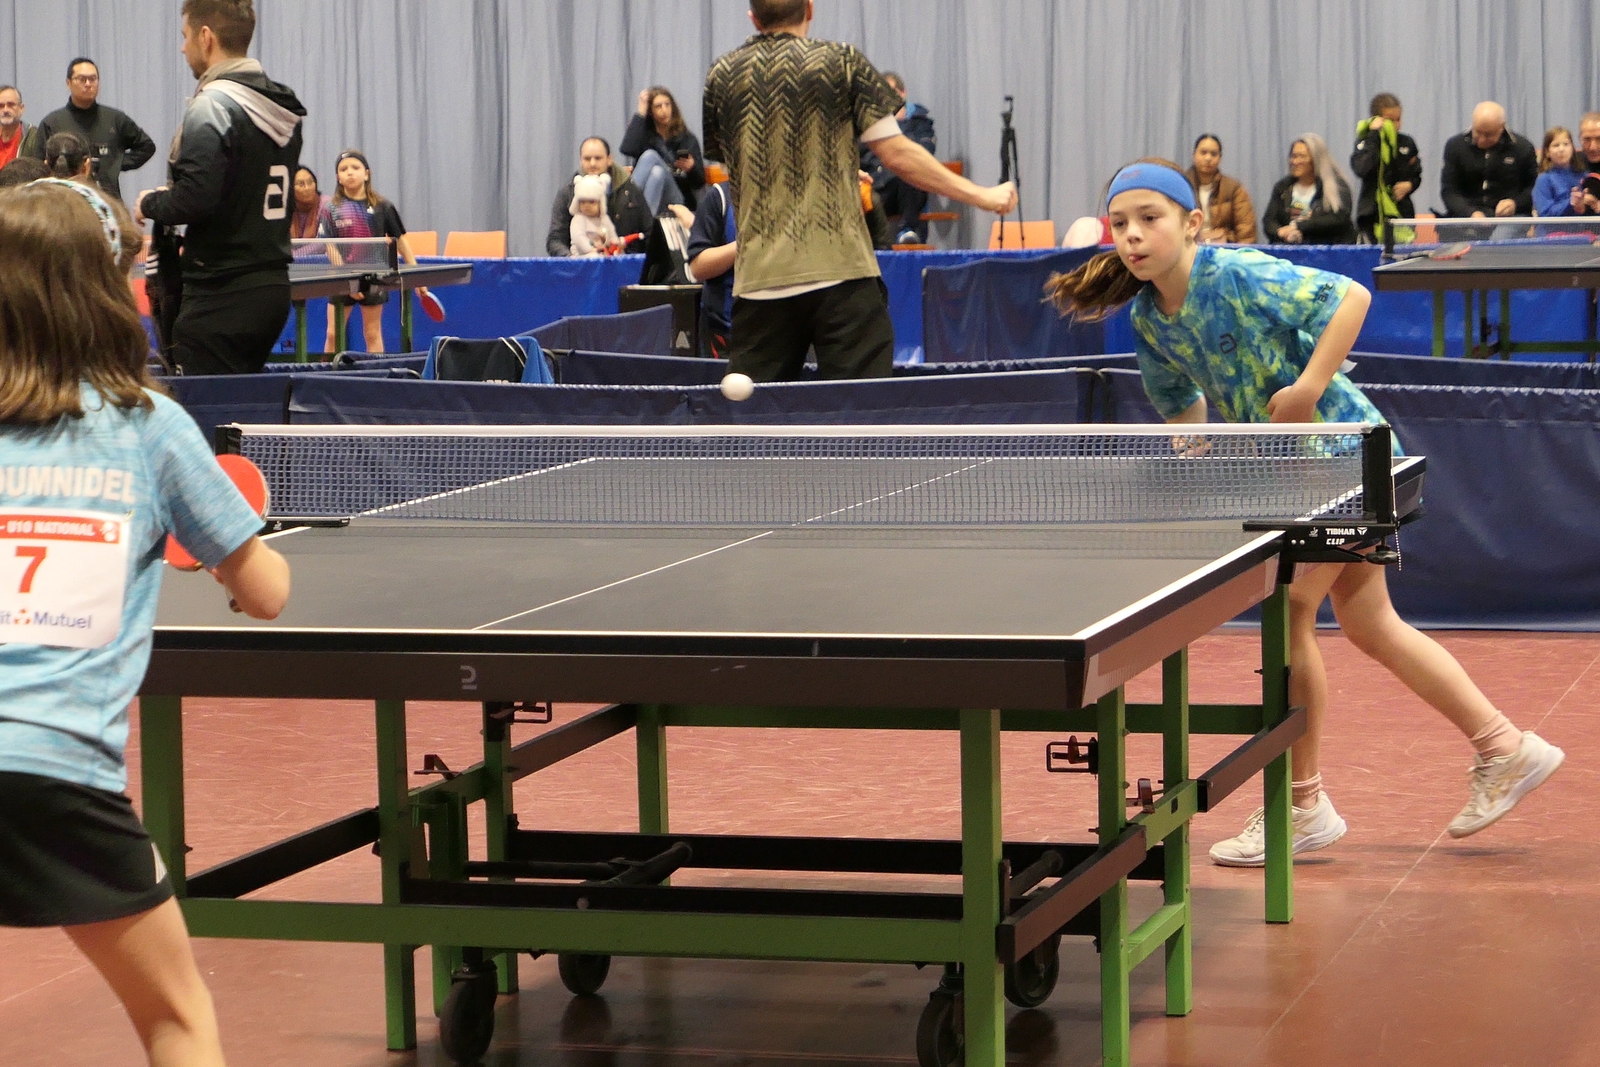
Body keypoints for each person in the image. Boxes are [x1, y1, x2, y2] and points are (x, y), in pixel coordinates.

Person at [1044, 159, 1564, 864]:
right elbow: (1180, 405)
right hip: (1293, 475)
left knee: (1289, 609)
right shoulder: (1149, 319)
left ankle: (1302, 802)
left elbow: (1351, 296)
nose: (1132, 235)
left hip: (1342, 457)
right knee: (1370, 623)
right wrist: (1191, 442)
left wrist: (1309, 387)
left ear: (1191, 223)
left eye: (1149, 218)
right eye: (1120, 223)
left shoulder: (1235, 274)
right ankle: (1506, 746)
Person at [0, 178, 292, 1067]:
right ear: (109, 288)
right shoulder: (147, 424)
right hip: (56, 771)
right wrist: (237, 562)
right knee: (176, 1013)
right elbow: (267, 593)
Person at [701, 0, 1015, 382]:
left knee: (756, 416)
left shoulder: (721, 75)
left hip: (760, 282)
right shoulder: (842, 62)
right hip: (842, 277)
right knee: (862, 413)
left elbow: (728, 162)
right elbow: (898, 154)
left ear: (753, 18)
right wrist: (982, 195)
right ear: (810, 9)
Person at [135, 0, 307, 377]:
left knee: (205, 409)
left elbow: (195, 198)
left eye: (185, 37)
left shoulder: (212, 106)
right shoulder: (281, 107)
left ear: (206, 37)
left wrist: (149, 203)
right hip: (272, 289)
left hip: (220, 294)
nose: (182, 48)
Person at [316, 150, 426, 353]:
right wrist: (346, 279)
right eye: (344, 169)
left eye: (355, 167)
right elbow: (329, 246)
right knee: (333, 334)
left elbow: (400, 241)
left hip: (374, 277)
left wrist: (417, 275)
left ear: (366, 174)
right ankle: (328, 371)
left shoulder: (382, 206)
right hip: (341, 276)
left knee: (372, 332)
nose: (350, 172)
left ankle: (377, 372)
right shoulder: (330, 208)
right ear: (338, 177)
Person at [27, 58, 157, 203]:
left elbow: (146, 146)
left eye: (93, 79)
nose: (88, 84)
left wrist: (116, 163)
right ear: (68, 83)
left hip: (108, 201)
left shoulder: (115, 119)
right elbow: (38, 165)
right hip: (65, 202)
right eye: (82, 79)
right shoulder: (52, 122)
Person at [44, 133, 143, 272]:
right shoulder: (108, 210)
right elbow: (131, 244)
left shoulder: (30, 208)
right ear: (87, 166)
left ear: (46, 165)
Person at [860, 71, 938, 245]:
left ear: (903, 93)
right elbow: (860, 156)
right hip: (877, 187)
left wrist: (899, 127)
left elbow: (926, 152)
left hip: (907, 188)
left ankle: (907, 232)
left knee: (910, 174)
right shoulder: (867, 124)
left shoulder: (919, 122)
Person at [545, 137, 654, 257]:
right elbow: (555, 240)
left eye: (598, 158)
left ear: (609, 159)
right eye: (587, 159)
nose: (592, 163)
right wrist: (571, 260)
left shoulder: (630, 190)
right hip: (582, 263)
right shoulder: (567, 193)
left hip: (626, 262)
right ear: (580, 161)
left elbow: (650, 232)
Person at [1440, 101, 1538, 220]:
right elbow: (1449, 191)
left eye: (1488, 135)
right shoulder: (1455, 146)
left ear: (1502, 128)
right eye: (1477, 132)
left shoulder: (1523, 148)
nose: (1482, 139)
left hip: (1510, 218)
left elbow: (1534, 188)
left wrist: (1515, 203)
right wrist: (1469, 212)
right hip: (1465, 217)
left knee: (1503, 232)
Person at [621, 86, 706, 214]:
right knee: (657, 173)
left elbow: (700, 183)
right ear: (650, 111)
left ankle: (625, 204)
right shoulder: (645, 136)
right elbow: (627, 149)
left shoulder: (687, 138)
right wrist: (641, 113)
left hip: (677, 199)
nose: (664, 110)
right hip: (649, 195)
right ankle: (646, 223)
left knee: (650, 155)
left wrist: (691, 168)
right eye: (658, 106)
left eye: (667, 104)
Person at [1350, 92, 1422, 242]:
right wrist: (1374, 136)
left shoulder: (1407, 143)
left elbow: (1416, 174)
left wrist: (1410, 185)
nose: (1396, 125)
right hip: (1371, 214)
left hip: (1401, 212)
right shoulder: (1365, 141)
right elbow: (1362, 169)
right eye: (1390, 120)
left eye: (1398, 119)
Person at [1262, 134, 1357, 244]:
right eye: (1293, 156)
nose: (1295, 162)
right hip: (1291, 249)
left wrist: (1298, 226)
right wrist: (1281, 232)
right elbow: (1269, 221)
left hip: (1329, 248)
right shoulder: (1283, 187)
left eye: (1302, 156)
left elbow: (1339, 218)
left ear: (1316, 159)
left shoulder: (1337, 186)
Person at [687, 179, 737, 358]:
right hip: (726, 329)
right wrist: (744, 245)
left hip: (782, 327)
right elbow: (698, 267)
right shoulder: (720, 197)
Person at [1184, 134, 1256, 244]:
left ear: (1220, 157)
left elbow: (1246, 230)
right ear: (1193, 155)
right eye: (1203, 152)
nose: (1208, 158)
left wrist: (1242, 253)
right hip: (1188, 246)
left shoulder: (1233, 188)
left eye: (1213, 154)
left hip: (1224, 249)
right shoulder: (1182, 185)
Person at [1533, 127, 1584, 217]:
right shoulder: (1544, 180)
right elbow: (1545, 214)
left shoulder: (1583, 175)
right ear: (1547, 152)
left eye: (1566, 144)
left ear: (1572, 149)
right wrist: (1570, 202)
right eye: (1556, 145)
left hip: (1584, 225)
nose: (1561, 149)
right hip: (1556, 226)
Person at [569, 172, 620, 257]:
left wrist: (616, 245)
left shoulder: (604, 219)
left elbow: (612, 235)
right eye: (583, 202)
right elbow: (579, 238)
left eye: (591, 202)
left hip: (603, 254)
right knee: (594, 256)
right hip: (581, 257)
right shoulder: (578, 219)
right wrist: (591, 249)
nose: (587, 206)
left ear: (601, 203)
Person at [1567, 113, 1600, 216]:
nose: (1593, 147)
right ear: (1579, 138)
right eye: (1587, 139)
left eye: (1599, 139)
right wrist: (1575, 203)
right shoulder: (1569, 164)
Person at [0, 85, 40, 169]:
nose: (5, 110)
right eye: (1, 106)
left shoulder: (34, 137)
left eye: (11, 105)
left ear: (21, 108)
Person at [289, 165, 327, 244]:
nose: (307, 188)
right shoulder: (286, 209)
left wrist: (294, 252)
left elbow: (322, 243)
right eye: (301, 184)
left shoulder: (326, 206)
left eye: (310, 182)